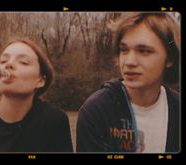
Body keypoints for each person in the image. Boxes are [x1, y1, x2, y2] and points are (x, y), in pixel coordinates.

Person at [76, 12, 180, 153]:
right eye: (124, 50)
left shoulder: (177, 108)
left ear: (170, 59)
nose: (129, 62)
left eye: (143, 51)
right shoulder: (96, 111)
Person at [0, 39, 73, 153]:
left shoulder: (53, 121)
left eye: (23, 62)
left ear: (40, 81)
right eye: (3, 61)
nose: (9, 64)